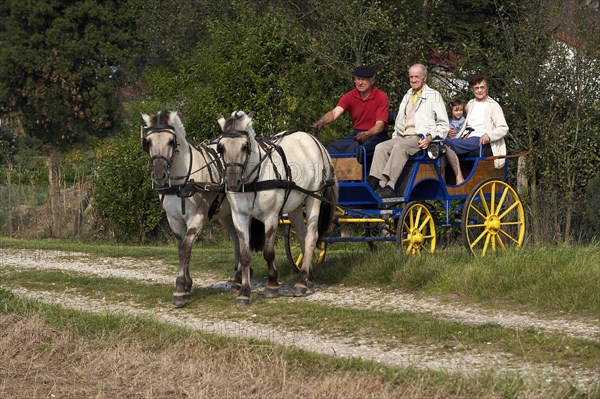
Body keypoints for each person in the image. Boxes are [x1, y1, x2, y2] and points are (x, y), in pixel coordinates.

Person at [368, 64, 449, 198]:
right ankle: (377, 183)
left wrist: (430, 138)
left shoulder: (434, 95)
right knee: (381, 147)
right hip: (404, 136)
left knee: (400, 147)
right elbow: (401, 121)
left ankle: (391, 185)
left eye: (417, 76)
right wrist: (395, 137)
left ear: (424, 78)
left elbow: (444, 125)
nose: (413, 79)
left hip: (420, 137)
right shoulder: (407, 96)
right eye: (411, 77)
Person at [312, 65, 390, 168]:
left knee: (355, 149)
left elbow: (379, 126)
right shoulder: (350, 96)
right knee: (332, 148)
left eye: (364, 79)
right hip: (357, 135)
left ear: (372, 81)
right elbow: (335, 113)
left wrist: (366, 134)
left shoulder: (381, 97)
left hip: (376, 136)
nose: (360, 82)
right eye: (358, 79)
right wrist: (321, 122)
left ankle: (352, 181)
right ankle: (334, 180)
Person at [446, 74, 509, 169]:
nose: (479, 90)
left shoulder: (493, 106)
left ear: (486, 88)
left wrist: (489, 135)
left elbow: (503, 128)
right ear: (472, 89)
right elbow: (460, 121)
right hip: (466, 139)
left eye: (482, 87)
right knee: (443, 142)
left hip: (480, 140)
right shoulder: (470, 104)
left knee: (446, 144)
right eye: (476, 88)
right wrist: (449, 129)